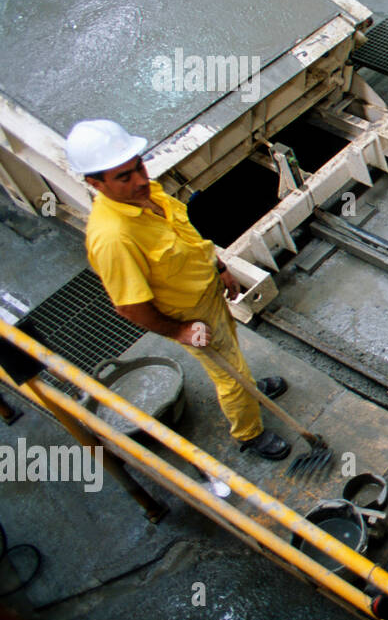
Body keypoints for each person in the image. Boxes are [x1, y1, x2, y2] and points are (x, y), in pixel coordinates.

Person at [66, 119, 293, 460]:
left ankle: (251, 391)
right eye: (124, 176)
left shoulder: (148, 193)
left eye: (138, 166)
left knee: (232, 359)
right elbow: (129, 307)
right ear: (95, 183)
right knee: (230, 376)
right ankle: (249, 434)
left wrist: (218, 267)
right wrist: (181, 331)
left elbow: (186, 237)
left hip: (207, 293)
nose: (140, 179)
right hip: (188, 314)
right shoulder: (112, 238)